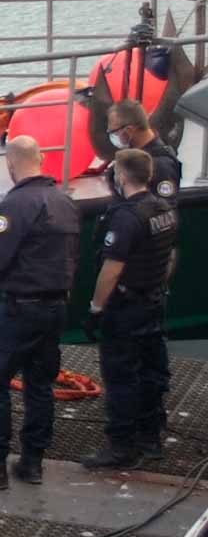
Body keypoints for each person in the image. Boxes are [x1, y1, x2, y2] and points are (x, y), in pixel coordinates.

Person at [0, 137, 80, 490]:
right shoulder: (65, 201)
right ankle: (33, 462)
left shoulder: (14, 205)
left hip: (20, 307)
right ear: (41, 159)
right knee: (40, 384)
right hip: (56, 307)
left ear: (11, 164)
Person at [82, 148, 180, 470]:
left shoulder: (126, 216)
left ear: (122, 176)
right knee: (152, 371)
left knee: (121, 375)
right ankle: (150, 438)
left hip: (126, 307)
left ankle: (121, 445)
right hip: (154, 301)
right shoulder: (165, 209)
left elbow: (111, 269)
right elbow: (169, 258)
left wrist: (96, 308)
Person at [106, 99, 183, 202]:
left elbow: (164, 209)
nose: (113, 136)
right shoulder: (134, 157)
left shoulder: (161, 166)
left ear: (129, 130)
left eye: (114, 132)